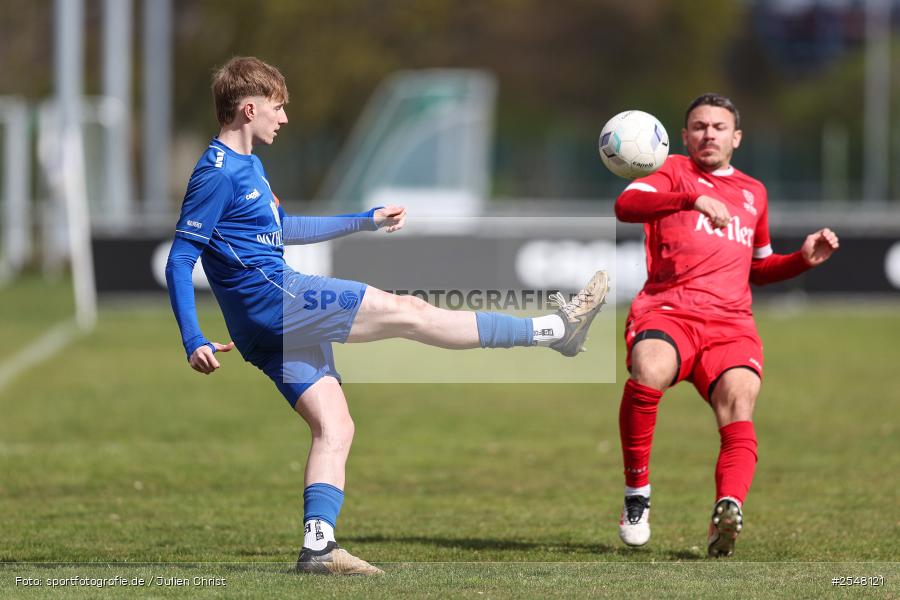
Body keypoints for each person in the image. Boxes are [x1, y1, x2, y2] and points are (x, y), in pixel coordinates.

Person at [165, 56, 609, 575]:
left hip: (263, 324)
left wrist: (364, 221)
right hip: (278, 302)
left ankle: (318, 548)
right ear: (248, 109)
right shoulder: (216, 173)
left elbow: (283, 230)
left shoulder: (252, 168)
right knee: (411, 312)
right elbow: (180, 256)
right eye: (278, 108)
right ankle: (556, 330)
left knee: (336, 427)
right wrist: (192, 335)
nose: (283, 119)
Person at [613, 93, 839, 557]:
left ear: (736, 137)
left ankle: (728, 508)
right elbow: (626, 204)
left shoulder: (754, 192)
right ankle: (638, 493)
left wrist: (801, 260)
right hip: (669, 310)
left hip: (731, 324)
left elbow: (757, 267)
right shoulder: (671, 171)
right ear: (684, 136)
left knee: (739, 401)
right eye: (698, 126)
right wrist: (692, 198)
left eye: (718, 127)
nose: (708, 134)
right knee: (649, 367)